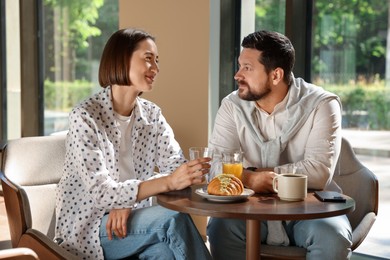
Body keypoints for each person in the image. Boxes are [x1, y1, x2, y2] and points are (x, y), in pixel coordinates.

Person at [54, 28, 212, 260]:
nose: (156, 69)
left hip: (132, 219)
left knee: (164, 253)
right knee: (173, 220)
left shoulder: (152, 115)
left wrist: (129, 200)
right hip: (88, 228)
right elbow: (102, 192)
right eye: (148, 59)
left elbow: (178, 169)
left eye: (157, 61)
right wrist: (157, 185)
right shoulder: (85, 116)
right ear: (121, 58)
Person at [207, 30, 352, 260]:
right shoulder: (232, 106)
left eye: (247, 68)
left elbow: (318, 173)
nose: (237, 75)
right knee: (220, 229)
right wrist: (253, 180)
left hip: (309, 209)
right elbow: (215, 167)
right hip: (249, 208)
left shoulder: (321, 104)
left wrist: (250, 175)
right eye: (239, 65)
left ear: (275, 75)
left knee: (332, 237)